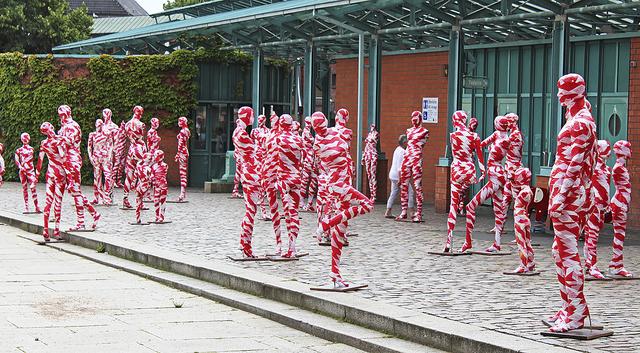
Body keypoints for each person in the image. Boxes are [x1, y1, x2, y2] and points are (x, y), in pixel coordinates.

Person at [546, 73, 597, 332]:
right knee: (559, 251)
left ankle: (576, 312)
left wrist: (561, 195)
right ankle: (570, 306)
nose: (558, 95)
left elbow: (575, 164)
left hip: (571, 195)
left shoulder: (582, 123)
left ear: (573, 92)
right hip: (568, 192)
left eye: (562, 90)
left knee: (568, 252)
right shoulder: (575, 118)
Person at [312, 112, 373, 288]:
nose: (322, 126)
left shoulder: (333, 132)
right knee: (367, 205)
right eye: (319, 125)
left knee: (340, 233)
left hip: (343, 181)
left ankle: (335, 274)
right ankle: (326, 224)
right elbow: (333, 159)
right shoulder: (319, 144)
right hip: (338, 185)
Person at [462, 115, 510, 253]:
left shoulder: (505, 140)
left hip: (496, 177)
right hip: (498, 174)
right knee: (498, 209)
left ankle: (468, 241)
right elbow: (481, 144)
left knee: (471, 206)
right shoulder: (499, 136)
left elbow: (482, 145)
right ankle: (497, 243)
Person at [443, 111, 484, 253]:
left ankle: (449, 240)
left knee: (453, 205)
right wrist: (483, 172)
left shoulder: (453, 136)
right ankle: (468, 239)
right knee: (469, 203)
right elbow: (479, 157)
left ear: (455, 121)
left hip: (457, 170)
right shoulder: (474, 136)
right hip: (469, 170)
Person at [57, 105, 100, 231]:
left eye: (61, 115)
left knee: (75, 190)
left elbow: (69, 142)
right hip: (66, 161)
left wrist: (56, 138)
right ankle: (94, 214)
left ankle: (81, 222)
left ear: (66, 114)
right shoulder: (64, 126)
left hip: (73, 160)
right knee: (73, 190)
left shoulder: (72, 126)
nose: (60, 118)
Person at [396, 111, 429, 222]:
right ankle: (404, 211)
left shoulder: (424, 131)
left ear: (420, 119)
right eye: (412, 118)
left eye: (416, 118)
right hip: (407, 157)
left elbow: (421, 143)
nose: (413, 119)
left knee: (417, 185)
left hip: (416, 158)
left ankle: (419, 213)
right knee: (403, 185)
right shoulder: (408, 131)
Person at [36, 122, 66, 240]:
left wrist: (36, 176)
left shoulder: (44, 143)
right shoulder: (57, 141)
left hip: (50, 173)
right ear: (51, 129)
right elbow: (63, 157)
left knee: (48, 200)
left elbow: (40, 161)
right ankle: (57, 231)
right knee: (58, 201)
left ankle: (45, 229)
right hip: (59, 173)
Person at [609, 140, 632, 278]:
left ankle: (617, 263)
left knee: (620, 235)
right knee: (619, 234)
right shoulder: (618, 168)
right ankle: (616, 265)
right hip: (619, 203)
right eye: (628, 148)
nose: (630, 151)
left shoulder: (620, 167)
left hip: (621, 202)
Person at [122, 106, 147, 208]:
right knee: (142, 175)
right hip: (139, 149)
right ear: (140, 113)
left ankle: (125, 198)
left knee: (129, 175)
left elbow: (127, 137)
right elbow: (141, 138)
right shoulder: (141, 125)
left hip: (131, 149)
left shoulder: (127, 124)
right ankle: (140, 202)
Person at [384, 135, 414, 218]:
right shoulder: (402, 152)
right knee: (410, 192)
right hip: (399, 175)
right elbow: (400, 167)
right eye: (407, 142)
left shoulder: (397, 149)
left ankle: (388, 211)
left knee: (393, 192)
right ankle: (411, 212)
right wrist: (400, 179)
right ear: (404, 142)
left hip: (393, 175)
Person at [14, 132, 40, 213]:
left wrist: (22, 166)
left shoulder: (31, 149)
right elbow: (17, 160)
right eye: (24, 138)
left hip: (30, 170)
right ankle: (27, 207)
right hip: (23, 171)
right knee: (25, 188)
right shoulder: (19, 150)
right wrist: (21, 167)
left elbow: (29, 159)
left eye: (26, 138)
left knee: (32, 187)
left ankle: (36, 206)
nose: (25, 140)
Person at [362, 124, 379, 201]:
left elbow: (374, 140)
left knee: (373, 175)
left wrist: (369, 140)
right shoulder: (369, 134)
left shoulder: (376, 134)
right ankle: (371, 194)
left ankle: (374, 195)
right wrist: (363, 157)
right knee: (369, 175)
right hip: (368, 154)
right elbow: (366, 146)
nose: (372, 127)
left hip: (373, 155)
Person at [151, 150, 169, 223]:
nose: (156, 158)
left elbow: (163, 174)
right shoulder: (153, 166)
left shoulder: (164, 165)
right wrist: (152, 179)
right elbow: (152, 174)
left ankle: (162, 216)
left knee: (162, 200)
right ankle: (157, 216)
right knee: (156, 200)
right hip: (156, 185)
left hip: (162, 185)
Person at [175, 116, 190, 202]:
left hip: (182, 153)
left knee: (182, 173)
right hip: (185, 152)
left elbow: (181, 144)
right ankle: (183, 193)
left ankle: (182, 193)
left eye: (180, 121)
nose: (179, 122)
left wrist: (177, 154)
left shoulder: (182, 132)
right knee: (183, 173)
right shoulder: (187, 131)